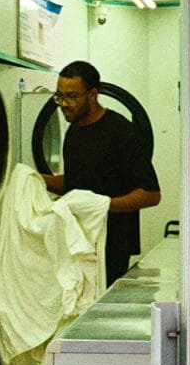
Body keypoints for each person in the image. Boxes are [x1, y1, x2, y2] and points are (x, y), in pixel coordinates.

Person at [39, 61, 162, 285]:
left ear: (92, 94)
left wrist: (101, 206)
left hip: (112, 245)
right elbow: (77, 184)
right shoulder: (74, 131)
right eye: (59, 96)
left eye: (72, 96)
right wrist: (38, 180)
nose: (64, 104)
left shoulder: (121, 131)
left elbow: (152, 194)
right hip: (78, 241)